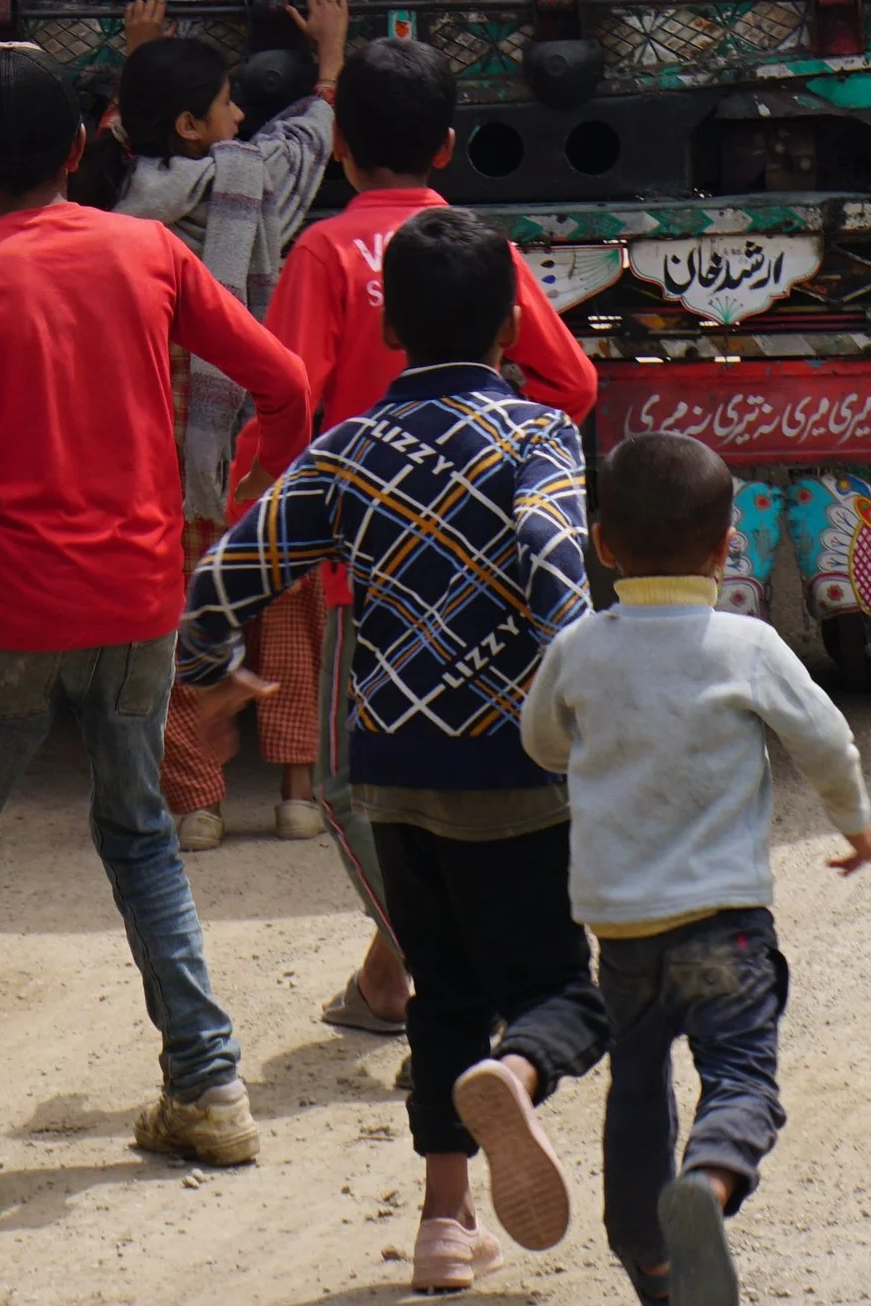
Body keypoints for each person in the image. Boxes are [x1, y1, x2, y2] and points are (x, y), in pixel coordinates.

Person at [0, 41, 312, 1220]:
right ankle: (208, 1092)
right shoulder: (151, 252)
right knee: (141, 838)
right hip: (139, 599)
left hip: (15, 608)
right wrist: (242, 504)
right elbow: (283, 384)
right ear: (79, 150)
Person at [181, 202, 605, 1299]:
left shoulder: (348, 449)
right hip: (512, 768)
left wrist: (212, 672)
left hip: (391, 769)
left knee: (440, 992)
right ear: (514, 323)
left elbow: (220, 578)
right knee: (565, 995)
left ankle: (442, 1228)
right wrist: (592, 727)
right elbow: (558, 581)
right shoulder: (535, 437)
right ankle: (516, 1075)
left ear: (395, 324)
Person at [233, 30, 599, 1042]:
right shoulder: (478, 252)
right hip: (491, 572)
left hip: (370, 577)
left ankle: (429, 973)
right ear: (448, 146)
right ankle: (394, 976)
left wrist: (257, 510)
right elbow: (572, 383)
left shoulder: (320, 252)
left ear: (340, 147)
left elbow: (290, 397)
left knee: (365, 785)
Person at [519, 428, 871, 1306]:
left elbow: (541, 744)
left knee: (637, 1088)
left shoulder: (579, 650)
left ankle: (650, 1257)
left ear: (602, 546)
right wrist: (855, 822)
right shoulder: (745, 646)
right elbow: (825, 739)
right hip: (726, 924)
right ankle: (710, 1183)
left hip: (625, 930)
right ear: (728, 546)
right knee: (741, 1076)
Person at [76, 0, 347, 847]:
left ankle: (196, 801)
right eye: (229, 103)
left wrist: (136, 61)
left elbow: (109, 142)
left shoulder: (118, 200)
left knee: (182, 603)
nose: (242, 114)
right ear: (195, 126)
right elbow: (308, 139)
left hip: (169, 437)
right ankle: (299, 789)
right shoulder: (250, 180)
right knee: (288, 600)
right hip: (252, 434)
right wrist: (330, 62)